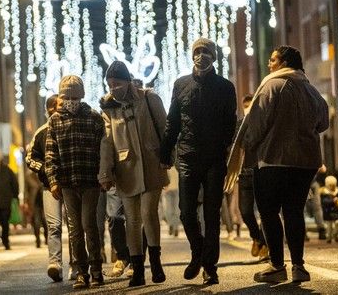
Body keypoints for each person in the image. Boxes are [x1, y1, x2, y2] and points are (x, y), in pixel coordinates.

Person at [238, 46, 328, 284]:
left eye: (273, 59)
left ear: (284, 62)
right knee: (294, 211)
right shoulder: (310, 89)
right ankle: (298, 265)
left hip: (273, 159)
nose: (270, 64)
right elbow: (323, 122)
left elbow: (257, 123)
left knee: (268, 212)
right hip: (305, 162)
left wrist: (247, 147)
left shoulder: (271, 85)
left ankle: (277, 265)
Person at [160, 38, 237, 285]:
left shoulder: (225, 87)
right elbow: (173, 121)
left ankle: (209, 267)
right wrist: (165, 151)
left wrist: (225, 148)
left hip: (215, 158)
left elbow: (230, 122)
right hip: (187, 156)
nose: (201, 55)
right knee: (186, 211)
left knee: (212, 213)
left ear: (214, 57)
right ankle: (198, 253)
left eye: (206, 52)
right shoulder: (181, 85)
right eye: (197, 51)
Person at [99, 61, 169, 286]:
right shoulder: (109, 108)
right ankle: (138, 268)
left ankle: (156, 263)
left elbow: (164, 128)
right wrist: (105, 172)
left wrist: (168, 156)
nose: (113, 88)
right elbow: (107, 142)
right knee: (131, 220)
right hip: (126, 168)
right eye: (109, 84)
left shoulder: (149, 98)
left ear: (128, 81)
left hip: (152, 164)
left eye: (117, 83)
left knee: (149, 213)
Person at [45, 75, 105, 289]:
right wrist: (53, 180)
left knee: (89, 224)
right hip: (68, 183)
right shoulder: (54, 120)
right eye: (66, 96)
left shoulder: (94, 118)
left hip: (90, 180)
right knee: (75, 229)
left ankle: (96, 268)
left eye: (74, 96)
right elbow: (51, 153)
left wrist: (105, 175)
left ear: (81, 96)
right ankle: (81, 272)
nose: (70, 100)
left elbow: (103, 150)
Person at [26, 94, 77, 282]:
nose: (55, 111)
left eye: (59, 106)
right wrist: (45, 170)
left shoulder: (70, 126)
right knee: (54, 226)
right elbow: (30, 158)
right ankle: (55, 264)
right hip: (49, 186)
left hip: (71, 184)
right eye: (52, 108)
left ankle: (76, 264)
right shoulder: (42, 132)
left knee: (74, 226)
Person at [236, 94, 268, 260]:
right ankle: (257, 238)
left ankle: (265, 242)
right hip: (244, 173)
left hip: (261, 170)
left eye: (251, 107)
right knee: (245, 211)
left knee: (265, 210)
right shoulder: (239, 125)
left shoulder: (262, 124)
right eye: (245, 107)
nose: (247, 110)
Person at [320, 175, 338, 244]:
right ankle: (329, 237)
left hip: (336, 211)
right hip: (328, 212)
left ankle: (335, 234)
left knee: (337, 222)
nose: (332, 187)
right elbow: (324, 202)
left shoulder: (337, 191)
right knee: (329, 226)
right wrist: (333, 201)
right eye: (330, 185)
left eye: (333, 185)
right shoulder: (324, 192)